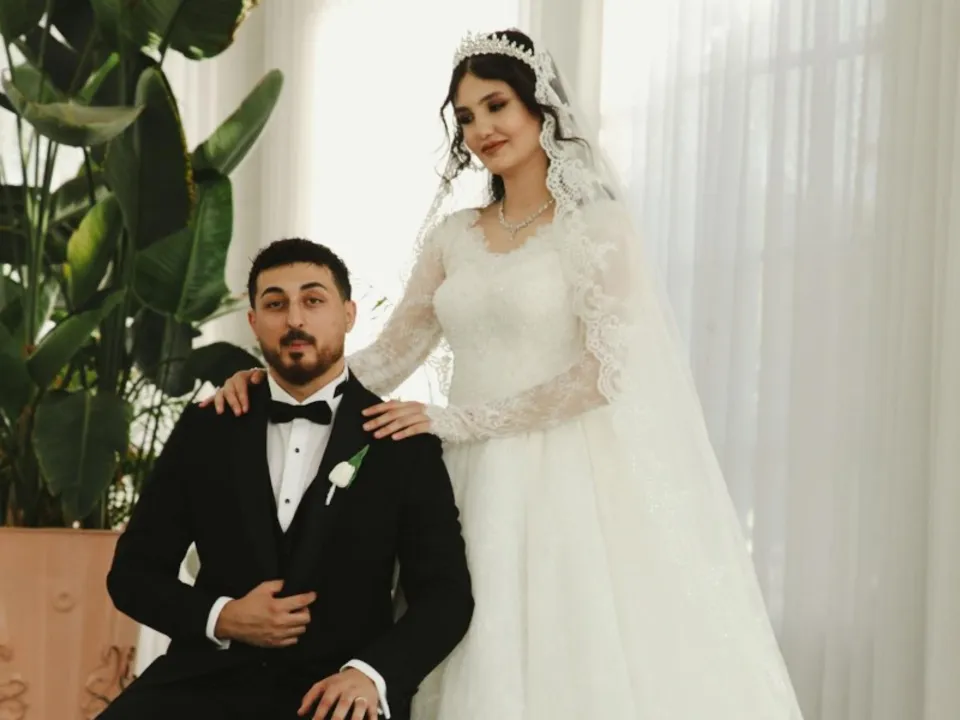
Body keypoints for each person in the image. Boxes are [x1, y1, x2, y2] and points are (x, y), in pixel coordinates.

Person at [205, 29, 805, 719]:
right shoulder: (454, 236)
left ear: (539, 107)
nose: (482, 129)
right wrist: (276, 385)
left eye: (496, 106)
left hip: (567, 473)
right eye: (466, 116)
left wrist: (459, 420)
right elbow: (392, 353)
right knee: (462, 631)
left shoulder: (598, 226)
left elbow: (605, 373)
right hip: (467, 473)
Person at [103, 239, 473, 720]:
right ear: (254, 321)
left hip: (336, 693)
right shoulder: (207, 427)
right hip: (206, 682)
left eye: (313, 300)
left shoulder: (401, 440)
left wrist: (372, 674)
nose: (294, 319)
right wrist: (223, 616)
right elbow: (133, 575)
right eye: (275, 304)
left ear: (348, 314)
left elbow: (445, 595)